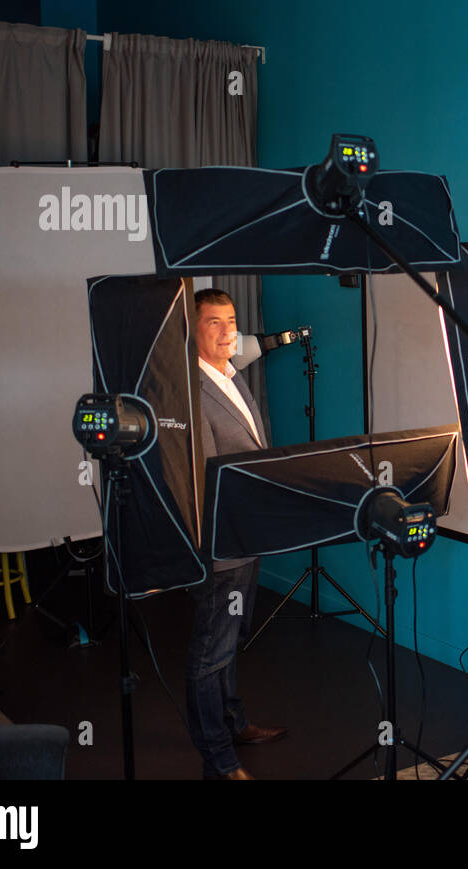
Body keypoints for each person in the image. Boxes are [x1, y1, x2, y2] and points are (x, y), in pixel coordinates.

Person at [187, 288, 286, 780]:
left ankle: (234, 722)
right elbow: (202, 477)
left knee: (232, 638)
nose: (228, 331)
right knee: (211, 650)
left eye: (231, 320)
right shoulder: (190, 389)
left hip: (250, 535)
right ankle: (218, 758)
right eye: (213, 323)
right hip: (222, 544)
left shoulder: (232, 375)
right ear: (193, 328)